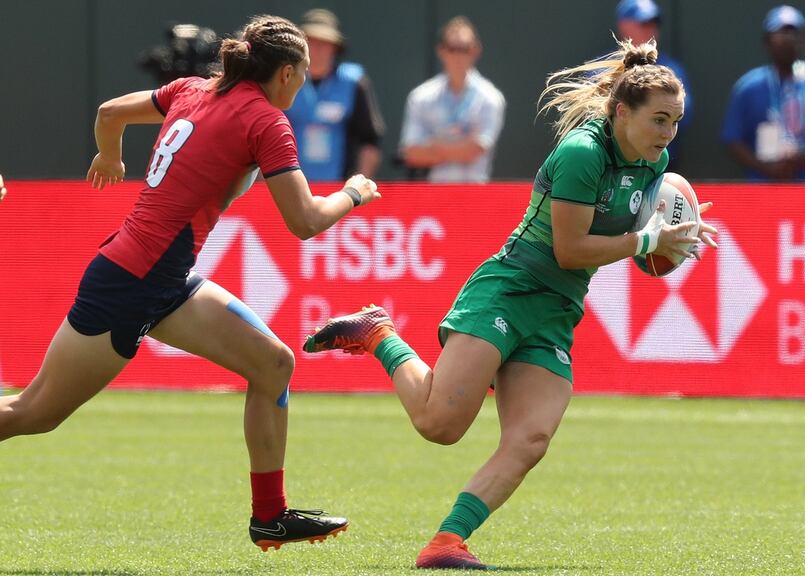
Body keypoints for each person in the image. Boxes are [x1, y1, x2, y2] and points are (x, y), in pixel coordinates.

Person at [305, 39, 717, 569]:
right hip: (509, 288)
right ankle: (376, 333)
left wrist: (670, 237)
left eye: (676, 122)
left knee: (531, 438)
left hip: (558, 309)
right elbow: (571, 250)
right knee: (440, 426)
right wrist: (646, 242)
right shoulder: (582, 153)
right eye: (659, 120)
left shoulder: (654, 163)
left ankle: (447, 543)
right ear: (621, 111)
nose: (668, 135)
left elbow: (637, 246)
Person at [0, 15, 380, 550]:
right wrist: (356, 192)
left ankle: (270, 517)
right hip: (133, 284)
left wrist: (111, 154)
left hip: (159, 277)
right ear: (289, 73)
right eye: (303, 75)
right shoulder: (266, 121)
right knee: (31, 413)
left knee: (274, 364)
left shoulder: (193, 88)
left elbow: (110, 113)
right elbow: (306, 221)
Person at [720, 5, 805, 182]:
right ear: (767, 41)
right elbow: (732, 138)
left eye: (793, 33)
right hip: (762, 183)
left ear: (802, 39)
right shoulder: (748, 86)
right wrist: (766, 167)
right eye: (780, 33)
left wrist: (804, 158)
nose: (787, 39)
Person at [399, 16, 506, 183]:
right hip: (432, 196)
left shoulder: (490, 97)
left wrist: (434, 146)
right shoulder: (421, 96)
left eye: (464, 48)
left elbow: (474, 151)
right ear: (441, 50)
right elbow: (411, 153)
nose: (458, 55)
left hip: (475, 195)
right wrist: (460, 147)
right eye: (452, 48)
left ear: (475, 50)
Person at [286, 8, 386, 181]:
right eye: (311, 41)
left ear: (335, 47)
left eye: (325, 43)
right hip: (289, 188)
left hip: (340, 190)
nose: (317, 49)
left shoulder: (353, 82)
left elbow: (369, 142)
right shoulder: (284, 79)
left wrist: (356, 191)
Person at [613, 0, 693, 167]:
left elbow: (683, 115)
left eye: (653, 23)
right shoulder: (602, 70)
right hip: (611, 165)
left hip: (657, 167)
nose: (651, 29)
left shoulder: (673, 70)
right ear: (623, 25)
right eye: (643, 23)